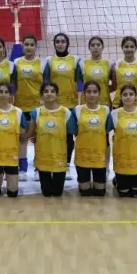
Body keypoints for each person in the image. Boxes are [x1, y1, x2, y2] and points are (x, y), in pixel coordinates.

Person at [44, 32, 82, 179]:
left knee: (67, 136)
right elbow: (46, 82)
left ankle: (65, 165)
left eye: (63, 41)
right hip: (53, 104)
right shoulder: (49, 61)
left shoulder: (75, 60)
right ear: (54, 44)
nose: (60, 44)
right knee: (50, 133)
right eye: (57, 42)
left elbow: (80, 82)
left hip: (70, 104)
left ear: (67, 44)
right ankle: (49, 162)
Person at [31, 82, 76, 197]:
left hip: (59, 157)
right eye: (46, 91)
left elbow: (72, 132)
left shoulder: (66, 112)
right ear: (41, 94)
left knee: (57, 193)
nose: (49, 94)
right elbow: (29, 133)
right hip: (43, 158)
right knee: (46, 193)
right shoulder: (36, 112)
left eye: (52, 91)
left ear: (57, 94)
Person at [13, 34, 45, 181]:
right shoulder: (16, 62)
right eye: (26, 44)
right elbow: (13, 83)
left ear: (36, 47)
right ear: (23, 46)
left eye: (32, 45)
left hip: (37, 107)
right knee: (22, 138)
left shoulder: (42, 63)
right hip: (20, 106)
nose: (29, 47)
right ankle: (22, 168)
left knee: (37, 138)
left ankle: (38, 167)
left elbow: (46, 84)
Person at [74, 80, 111, 197]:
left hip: (99, 156)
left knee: (100, 192)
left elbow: (107, 130)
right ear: (84, 94)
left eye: (95, 92)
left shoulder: (106, 110)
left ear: (99, 94)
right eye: (89, 92)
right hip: (82, 156)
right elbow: (74, 131)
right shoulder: (77, 109)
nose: (92, 94)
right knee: (84, 192)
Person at [110, 85, 137, 197]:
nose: (128, 97)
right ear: (120, 97)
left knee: (136, 193)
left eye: (131, 94)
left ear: (135, 97)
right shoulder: (114, 113)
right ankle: (117, 179)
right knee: (124, 193)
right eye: (125, 94)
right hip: (121, 154)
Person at [112, 36, 137, 109]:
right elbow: (115, 84)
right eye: (126, 47)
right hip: (119, 102)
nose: (129, 49)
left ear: (136, 48)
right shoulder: (116, 64)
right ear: (122, 47)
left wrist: (136, 91)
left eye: (132, 47)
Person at [79, 37, 111, 106]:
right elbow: (79, 81)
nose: (95, 47)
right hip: (86, 102)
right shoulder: (82, 63)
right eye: (92, 45)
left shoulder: (109, 63)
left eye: (98, 45)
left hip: (103, 102)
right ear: (89, 48)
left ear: (102, 47)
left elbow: (113, 85)